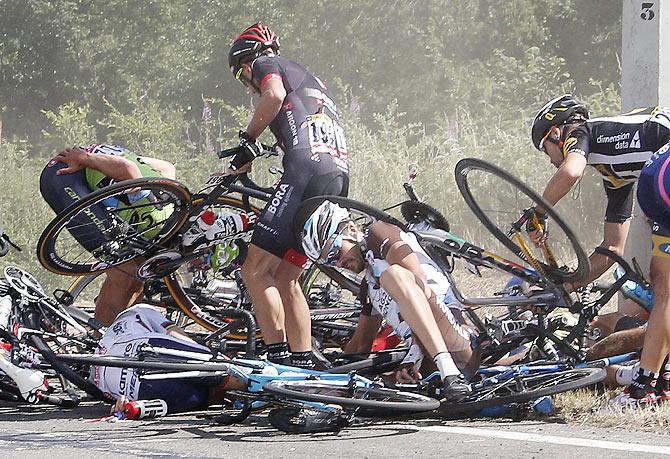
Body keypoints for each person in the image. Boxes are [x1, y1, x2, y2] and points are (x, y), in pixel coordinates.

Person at [185, 23, 349, 369]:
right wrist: (251, 158)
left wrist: (246, 140)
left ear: (246, 62)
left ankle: (275, 359)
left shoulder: (265, 64)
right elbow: (296, 124)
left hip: (305, 173)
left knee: (256, 269)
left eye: (241, 77)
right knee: (288, 276)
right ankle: (302, 363)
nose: (247, 84)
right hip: (336, 177)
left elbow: (272, 96)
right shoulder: (311, 81)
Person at [529, 95, 670, 405]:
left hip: (664, 169)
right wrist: (568, 285)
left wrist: (537, 211)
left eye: (545, 148)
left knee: (664, 286)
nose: (549, 158)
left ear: (556, 132)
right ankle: (656, 377)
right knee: (664, 284)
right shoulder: (617, 174)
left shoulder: (581, 132)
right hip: (661, 173)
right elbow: (611, 248)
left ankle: (645, 387)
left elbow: (569, 172)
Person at [300, 200, 480, 401]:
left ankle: (449, 372)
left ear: (351, 229)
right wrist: (314, 356)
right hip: (427, 362)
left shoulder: (378, 234)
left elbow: (417, 277)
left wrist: (415, 351)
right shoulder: (369, 286)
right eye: (329, 262)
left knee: (393, 275)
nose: (339, 263)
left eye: (334, 252)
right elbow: (360, 347)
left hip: (455, 342)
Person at [40, 144, 176, 326]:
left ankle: (119, 333)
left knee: (138, 275)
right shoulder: (158, 214)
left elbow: (168, 167)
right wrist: (86, 159)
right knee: (125, 273)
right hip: (66, 174)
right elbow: (128, 168)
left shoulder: (176, 196)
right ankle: (99, 343)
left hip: (93, 165)